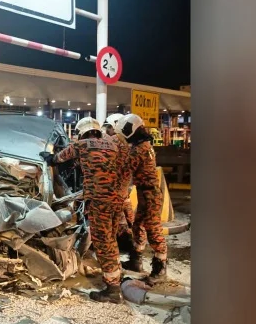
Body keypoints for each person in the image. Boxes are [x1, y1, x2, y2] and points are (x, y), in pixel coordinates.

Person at [42, 117, 129, 303]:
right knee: (111, 239)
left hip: (100, 201)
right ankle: (116, 275)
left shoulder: (81, 145)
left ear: (81, 131)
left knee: (103, 242)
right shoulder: (114, 145)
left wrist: (49, 157)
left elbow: (58, 158)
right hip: (117, 201)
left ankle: (112, 289)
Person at [114, 113, 168, 285]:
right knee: (138, 225)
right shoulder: (145, 145)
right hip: (145, 192)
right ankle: (136, 261)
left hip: (149, 193)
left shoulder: (138, 150)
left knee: (153, 229)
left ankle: (160, 269)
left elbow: (123, 171)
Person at [103, 113, 136, 243]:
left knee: (117, 215)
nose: (107, 130)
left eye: (109, 128)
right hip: (125, 184)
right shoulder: (131, 142)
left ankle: (123, 238)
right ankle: (135, 241)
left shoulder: (115, 140)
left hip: (115, 185)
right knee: (127, 210)